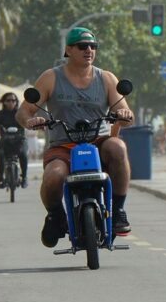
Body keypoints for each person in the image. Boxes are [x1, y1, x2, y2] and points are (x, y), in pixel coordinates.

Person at [17, 27, 136, 246]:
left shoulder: (107, 78)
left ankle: (118, 210)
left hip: (99, 142)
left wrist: (124, 114)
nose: (89, 50)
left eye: (93, 46)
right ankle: (55, 215)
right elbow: (24, 111)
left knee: (118, 147)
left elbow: (125, 111)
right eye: (82, 46)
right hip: (63, 146)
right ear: (69, 50)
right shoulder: (51, 77)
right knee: (53, 176)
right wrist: (30, 121)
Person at [0, 92, 28, 189]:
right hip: (5, 141)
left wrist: (29, 122)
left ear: (16, 102)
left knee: (23, 154)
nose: (11, 102)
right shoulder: (0, 114)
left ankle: (24, 178)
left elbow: (27, 121)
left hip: (19, 141)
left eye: (13, 100)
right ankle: (1, 180)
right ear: (4, 102)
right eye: (8, 100)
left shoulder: (20, 113)